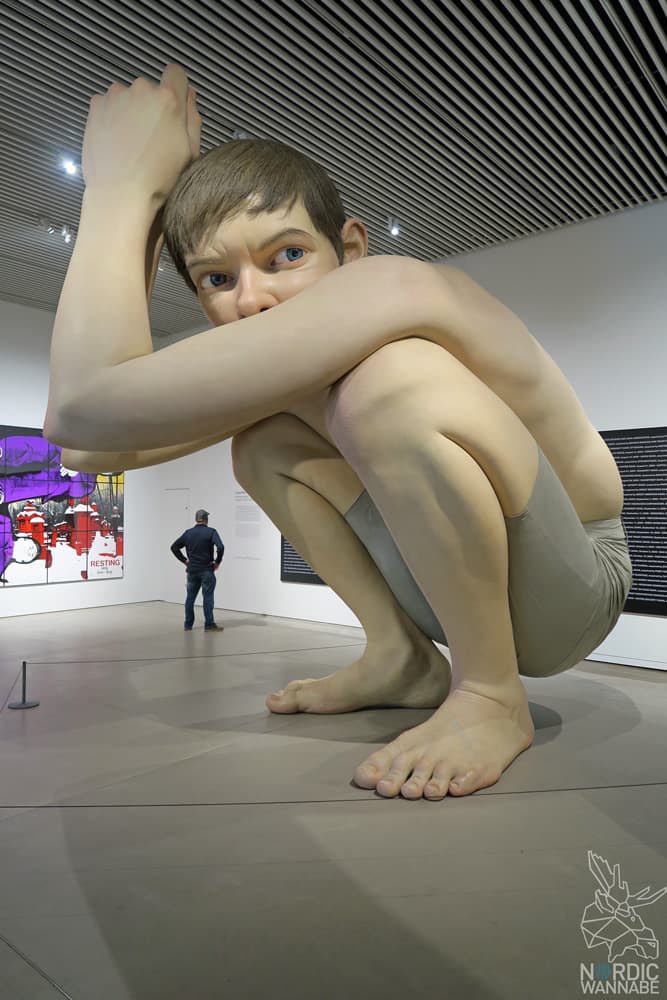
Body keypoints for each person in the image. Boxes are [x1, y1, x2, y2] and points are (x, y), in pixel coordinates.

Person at [45, 64, 632, 801]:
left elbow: (82, 406)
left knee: (387, 382)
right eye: (216, 279)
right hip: (451, 591)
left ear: (350, 248)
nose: (253, 300)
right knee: (264, 443)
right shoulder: (286, 374)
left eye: (286, 255)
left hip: (574, 586)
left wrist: (122, 187)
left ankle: (488, 692)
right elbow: (88, 442)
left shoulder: (394, 285)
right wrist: (148, 211)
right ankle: (399, 657)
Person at [170, 509, 224, 631]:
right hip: (206, 570)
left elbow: (174, 547)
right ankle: (209, 625)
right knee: (208, 598)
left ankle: (188, 625)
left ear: (196, 519)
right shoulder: (211, 532)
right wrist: (217, 562)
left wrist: (185, 560)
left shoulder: (188, 533)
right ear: (206, 520)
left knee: (190, 598)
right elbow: (220, 547)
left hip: (192, 571)